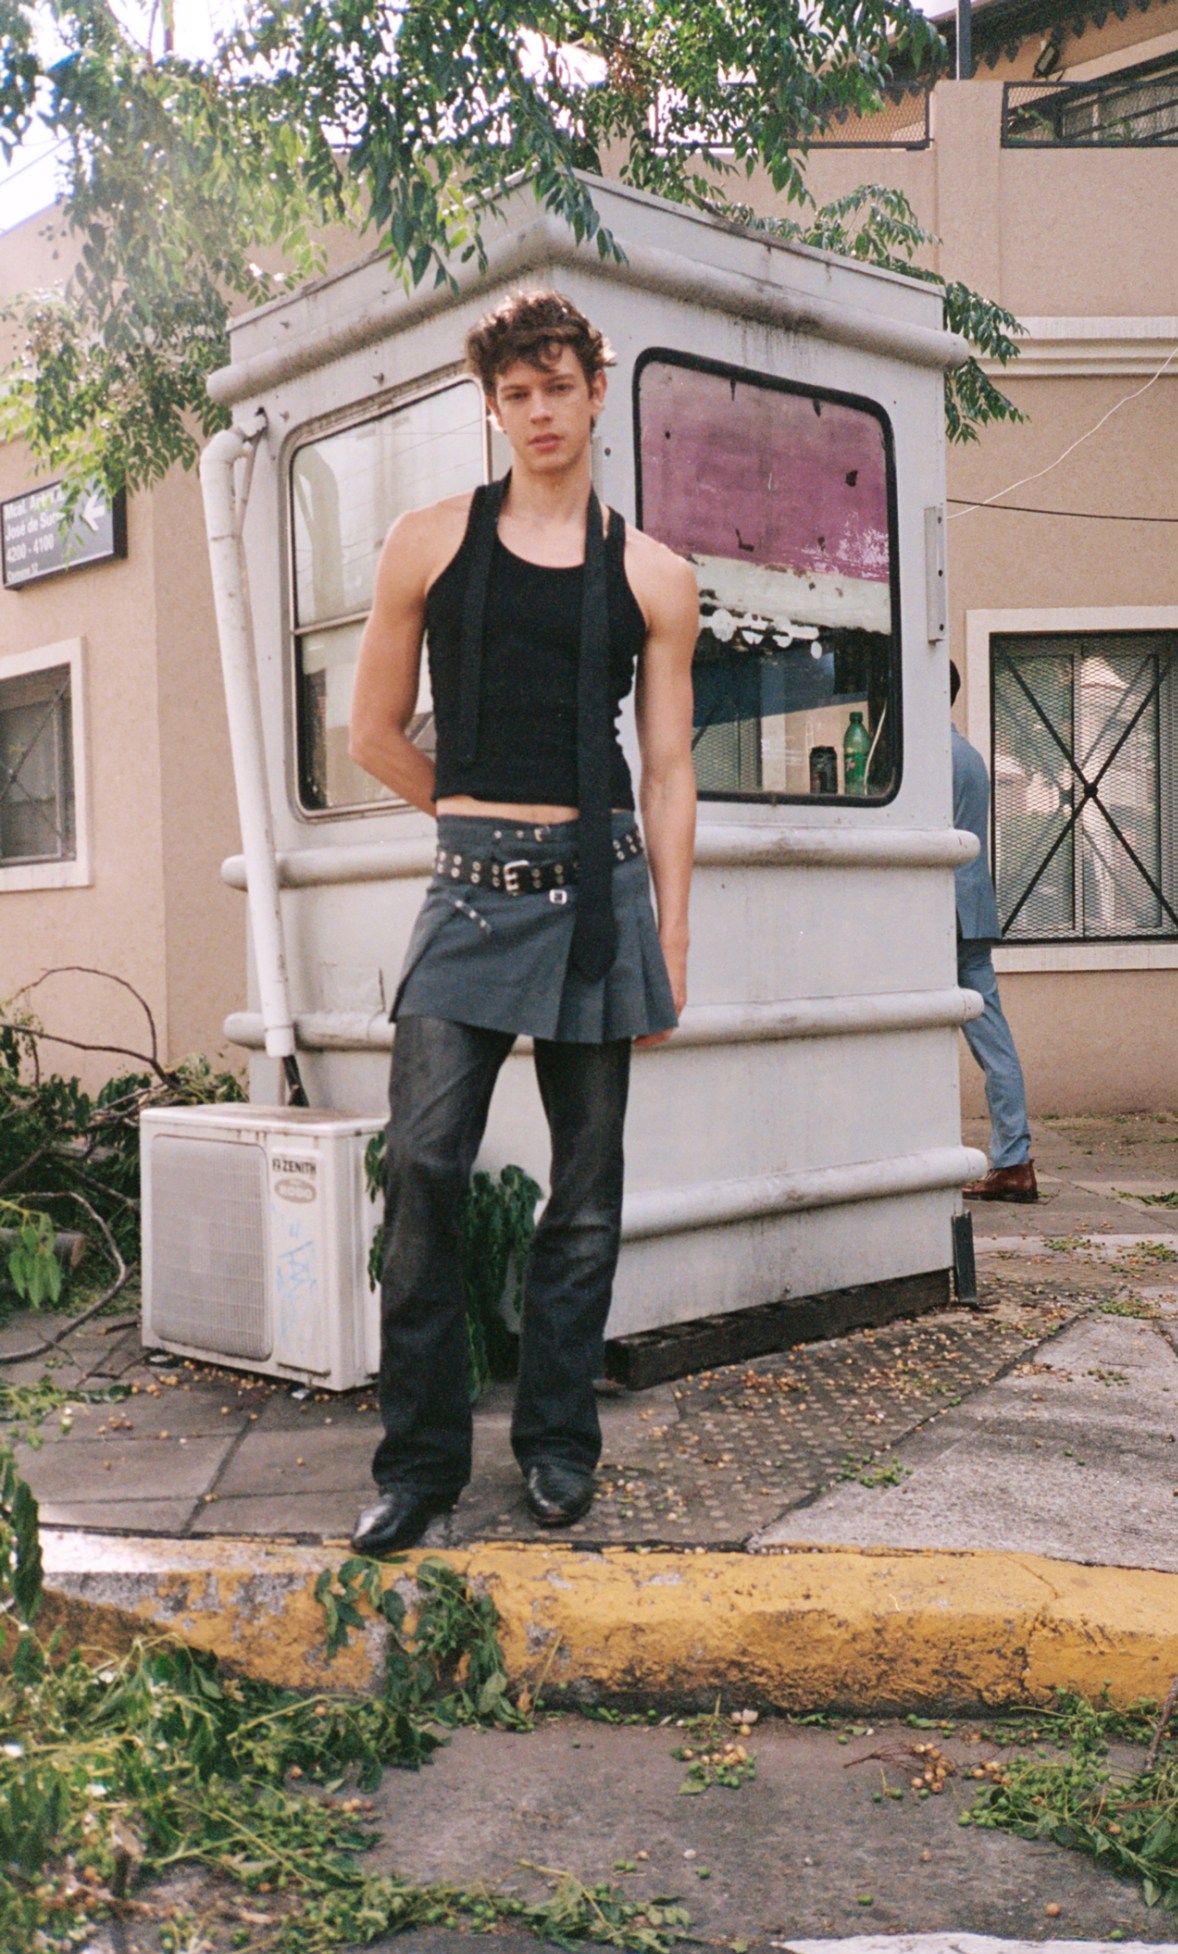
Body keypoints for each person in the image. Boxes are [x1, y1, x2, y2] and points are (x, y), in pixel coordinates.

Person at [346, 291, 699, 1554]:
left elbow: (664, 770)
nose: (540, 412)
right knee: (425, 1174)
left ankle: (556, 1448)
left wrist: (670, 932)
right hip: (469, 897)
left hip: (602, 899)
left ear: (596, 389)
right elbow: (372, 734)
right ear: (491, 406)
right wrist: (475, 818)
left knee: (586, 1193)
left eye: (559, 386)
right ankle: (421, 1461)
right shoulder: (428, 542)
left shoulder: (654, 573)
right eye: (517, 393)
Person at [950, 662, 1038, 1204]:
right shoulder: (970, 756)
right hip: (973, 910)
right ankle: (1014, 1161)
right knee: (994, 1041)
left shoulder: (921, 757)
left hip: (938, 912)